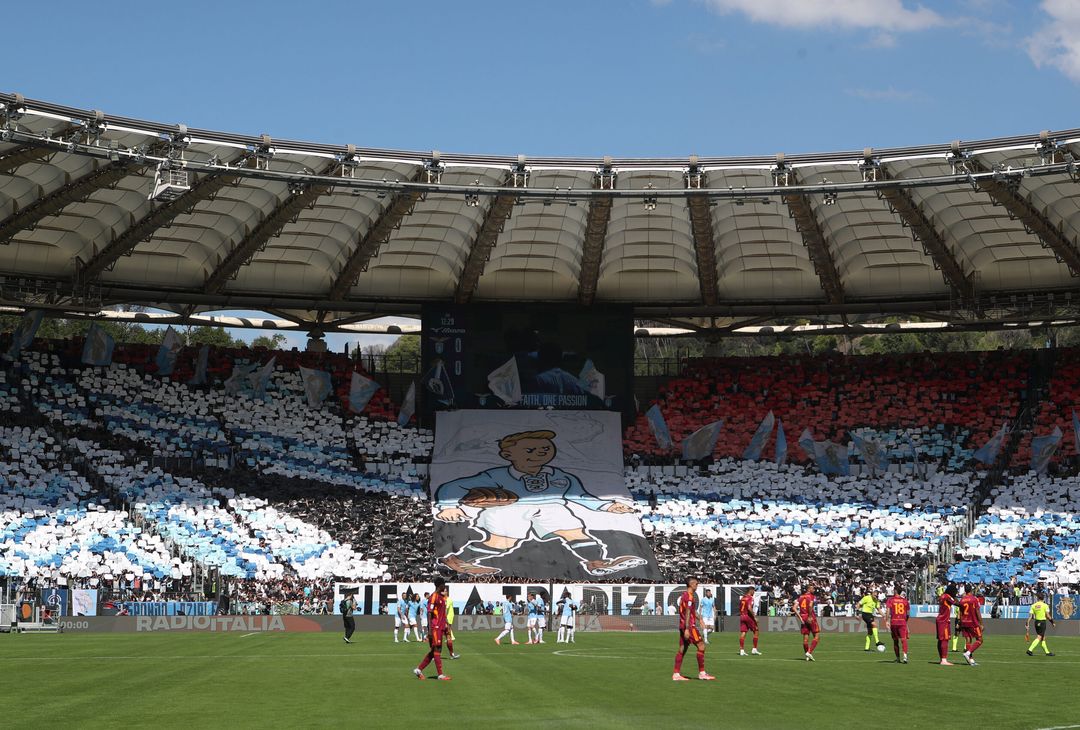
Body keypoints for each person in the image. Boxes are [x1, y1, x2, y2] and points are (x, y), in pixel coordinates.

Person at [434, 430, 645, 577]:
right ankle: (457, 559)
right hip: (510, 506)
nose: (540, 453)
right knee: (503, 542)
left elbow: (579, 496)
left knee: (574, 532)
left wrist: (607, 506)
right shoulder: (495, 475)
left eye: (545, 449)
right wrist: (449, 506)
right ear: (508, 455)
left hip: (550, 505)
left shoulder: (559, 476)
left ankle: (597, 562)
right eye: (531, 450)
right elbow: (452, 487)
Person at [672, 576, 714, 681]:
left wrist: (700, 619)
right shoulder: (690, 597)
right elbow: (687, 613)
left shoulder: (684, 596)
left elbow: (692, 611)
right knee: (701, 646)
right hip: (689, 627)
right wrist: (687, 628)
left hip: (683, 626)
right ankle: (702, 673)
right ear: (691, 584)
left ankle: (676, 674)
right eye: (696, 583)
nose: (697, 585)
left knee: (682, 649)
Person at [413, 578, 451, 681]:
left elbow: (442, 613)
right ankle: (440, 675)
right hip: (435, 628)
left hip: (441, 627)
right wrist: (430, 630)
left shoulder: (441, 597)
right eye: (444, 584)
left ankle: (418, 669)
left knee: (434, 650)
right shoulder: (433, 597)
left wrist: (446, 625)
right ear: (440, 585)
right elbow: (429, 613)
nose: (445, 587)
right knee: (437, 650)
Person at [959, 584, 984, 666]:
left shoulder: (962, 600)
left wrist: (959, 622)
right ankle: (968, 653)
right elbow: (977, 612)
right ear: (971, 590)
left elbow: (960, 612)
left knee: (968, 640)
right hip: (972, 622)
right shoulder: (974, 599)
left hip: (964, 622)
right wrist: (981, 623)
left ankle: (971, 660)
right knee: (980, 640)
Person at [884, 584, 910, 664]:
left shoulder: (890, 600)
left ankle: (898, 658)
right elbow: (908, 613)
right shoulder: (905, 601)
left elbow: (888, 611)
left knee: (895, 641)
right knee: (903, 639)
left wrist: (887, 621)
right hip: (902, 622)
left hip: (894, 622)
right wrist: (906, 621)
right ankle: (905, 657)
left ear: (895, 591)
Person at [794, 585, 820, 661]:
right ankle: (809, 652)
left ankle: (807, 656)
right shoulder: (811, 596)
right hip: (810, 617)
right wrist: (809, 616)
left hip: (803, 617)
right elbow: (810, 605)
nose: (814, 590)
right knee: (817, 636)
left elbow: (794, 608)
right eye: (813, 588)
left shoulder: (801, 597)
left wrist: (800, 617)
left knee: (805, 638)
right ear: (809, 589)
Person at [1026, 592, 1056, 657]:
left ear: (1038, 598)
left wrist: (1027, 623)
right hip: (1042, 622)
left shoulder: (1033, 605)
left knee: (1043, 637)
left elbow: (1030, 616)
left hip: (1036, 622)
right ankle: (1030, 650)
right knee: (1039, 637)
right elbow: (1048, 616)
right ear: (1043, 598)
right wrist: (1052, 622)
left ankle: (1047, 652)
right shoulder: (1045, 605)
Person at [936, 584, 958, 666]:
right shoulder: (947, 597)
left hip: (940, 619)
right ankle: (944, 660)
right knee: (945, 639)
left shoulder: (943, 596)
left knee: (940, 640)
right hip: (944, 620)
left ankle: (941, 658)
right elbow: (957, 603)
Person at [738, 586, 761, 656]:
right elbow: (749, 608)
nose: (754, 592)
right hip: (748, 616)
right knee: (756, 631)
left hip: (742, 616)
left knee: (743, 632)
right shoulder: (750, 598)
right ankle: (754, 649)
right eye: (753, 591)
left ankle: (741, 650)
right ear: (750, 590)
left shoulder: (742, 598)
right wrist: (754, 617)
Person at [445, 591, 460, 659]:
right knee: (437, 639)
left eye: (445, 591)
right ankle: (433, 655)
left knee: (448, 636)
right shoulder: (441, 599)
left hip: (447, 618)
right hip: (441, 620)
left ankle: (452, 654)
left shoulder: (448, 599)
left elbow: (446, 608)